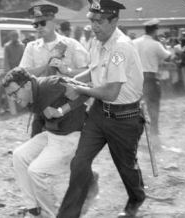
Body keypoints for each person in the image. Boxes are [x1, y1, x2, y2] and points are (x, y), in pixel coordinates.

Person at [57, 0, 146, 217]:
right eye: (92, 21)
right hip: (98, 113)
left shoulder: (121, 47)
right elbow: (92, 70)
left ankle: (136, 198)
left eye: (99, 21)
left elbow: (110, 92)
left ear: (115, 21)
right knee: (79, 163)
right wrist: (71, 81)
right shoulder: (96, 41)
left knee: (126, 168)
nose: (94, 26)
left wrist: (78, 89)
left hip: (124, 116)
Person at [3, 67, 95, 218]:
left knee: (36, 171)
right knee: (19, 156)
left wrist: (62, 110)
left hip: (72, 135)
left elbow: (87, 91)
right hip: (53, 134)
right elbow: (38, 120)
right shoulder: (30, 94)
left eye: (14, 93)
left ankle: (52, 214)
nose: (13, 98)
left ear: (26, 85)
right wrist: (33, 145)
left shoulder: (51, 84)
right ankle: (33, 209)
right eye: (10, 95)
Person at [19, 4, 89, 78]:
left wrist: (68, 71)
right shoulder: (31, 47)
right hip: (41, 88)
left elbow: (88, 71)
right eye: (36, 25)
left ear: (53, 21)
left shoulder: (71, 44)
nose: (39, 27)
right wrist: (46, 66)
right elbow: (24, 74)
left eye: (43, 23)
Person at [132, 18, 171, 146]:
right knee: (153, 107)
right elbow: (167, 56)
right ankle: (154, 136)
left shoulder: (134, 42)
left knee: (132, 108)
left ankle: (132, 136)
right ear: (155, 30)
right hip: (149, 78)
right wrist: (163, 43)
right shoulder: (155, 44)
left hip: (135, 79)